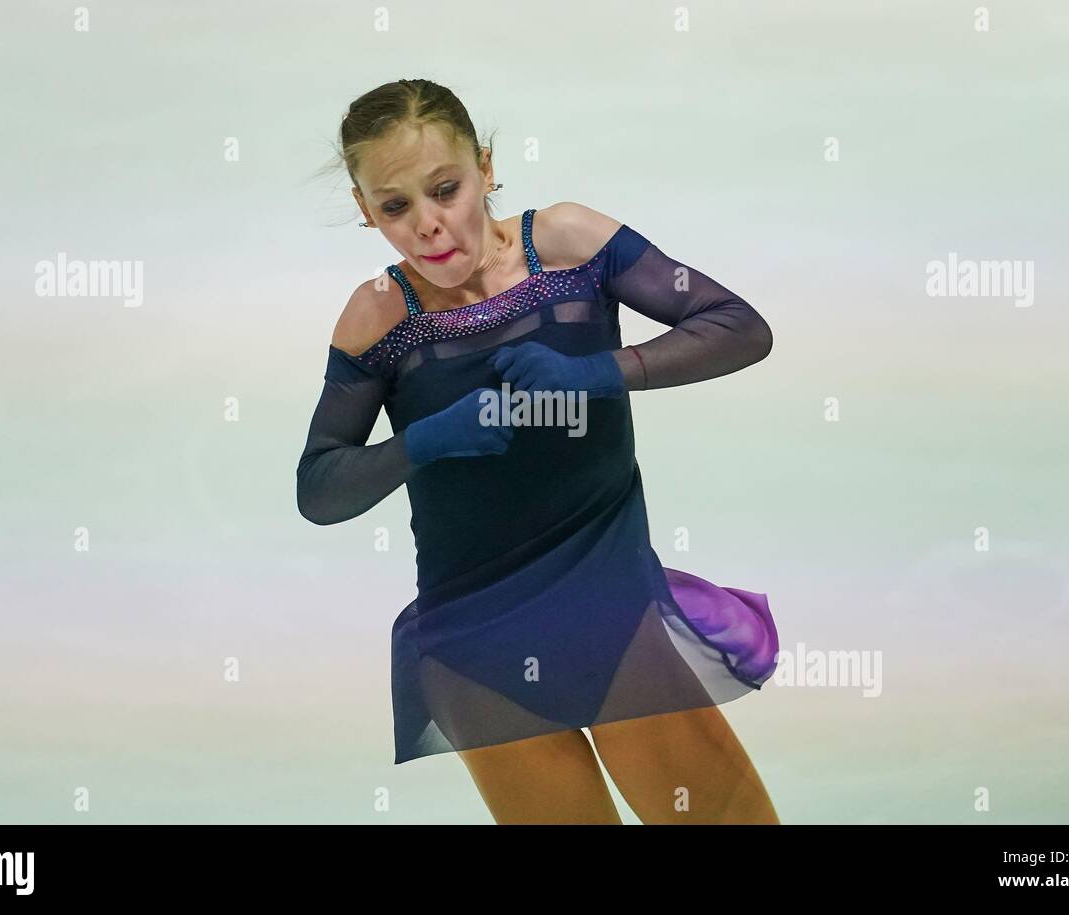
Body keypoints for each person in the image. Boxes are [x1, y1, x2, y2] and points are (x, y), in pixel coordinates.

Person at [297, 78, 780, 824]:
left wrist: (598, 372)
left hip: (607, 603)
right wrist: (422, 441)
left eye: (446, 188)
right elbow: (320, 487)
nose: (429, 224)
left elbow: (739, 326)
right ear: (367, 211)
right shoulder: (377, 316)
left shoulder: (569, 245)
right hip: (475, 643)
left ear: (485, 168)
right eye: (396, 206)